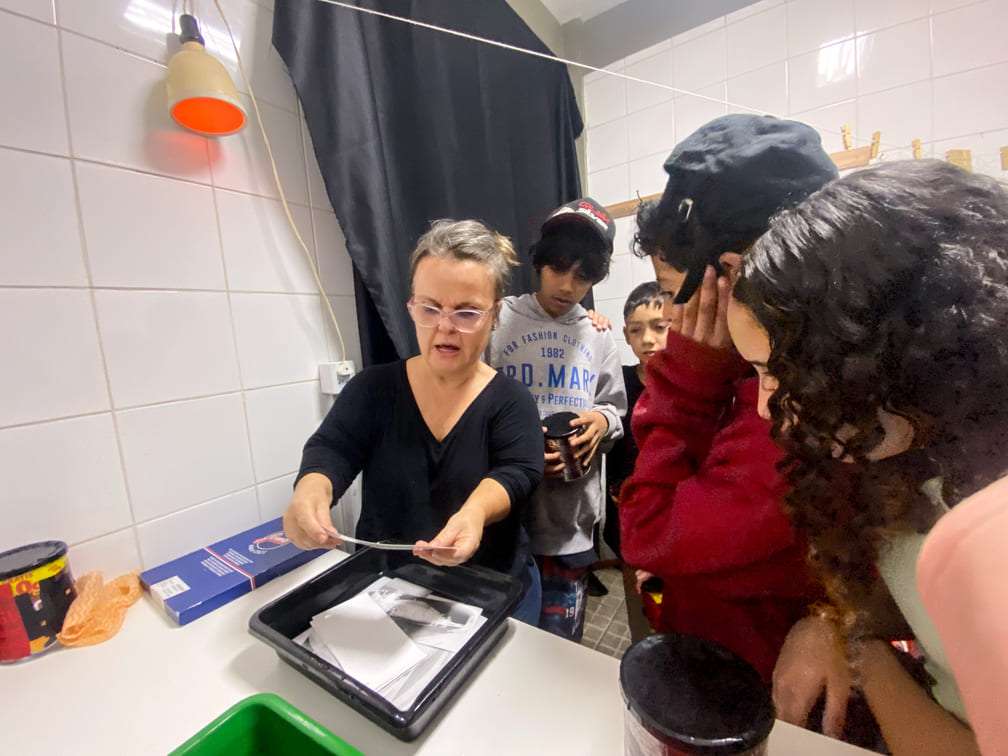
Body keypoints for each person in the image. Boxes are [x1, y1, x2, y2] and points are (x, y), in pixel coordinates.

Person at [729, 159, 1000, 754]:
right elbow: (922, 610)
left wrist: (866, 658)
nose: (765, 407)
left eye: (781, 372)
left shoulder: (991, 524)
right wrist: (833, 621)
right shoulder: (920, 460)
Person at [619, 114, 837, 692]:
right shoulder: (753, 372)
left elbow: (647, 528)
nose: (670, 318)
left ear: (734, 274)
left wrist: (685, 381)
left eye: (674, 295)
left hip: (757, 687)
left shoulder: (787, 404)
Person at [283, 219, 545, 624]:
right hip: (389, 588)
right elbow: (333, 448)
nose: (445, 327)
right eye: (429, 308)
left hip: (486, 590)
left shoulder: (511, 400)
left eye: (466, 312)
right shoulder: (373, 389)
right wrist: (310, 491)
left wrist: (474, 513)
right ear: (411, 307)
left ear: (494, 314)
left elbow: (518, 470)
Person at [488, 197, 627, 641]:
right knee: (506, 642)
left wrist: (602, 423)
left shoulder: (598, 334)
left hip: (571, 522)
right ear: (539, 262)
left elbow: (614, 408)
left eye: (582, 276)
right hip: (505, 517)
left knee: (562, 643)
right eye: (558, 268)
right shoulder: (499, 319)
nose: (567, 286)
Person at [600, 282, 669, 640]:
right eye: (636, 330)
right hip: (628, 521)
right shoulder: (621, 383)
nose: (648, 339)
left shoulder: (693, 386)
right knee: (642, 615)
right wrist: (587, 321)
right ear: (626, 335)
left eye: (659, 327)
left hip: (676, 521)